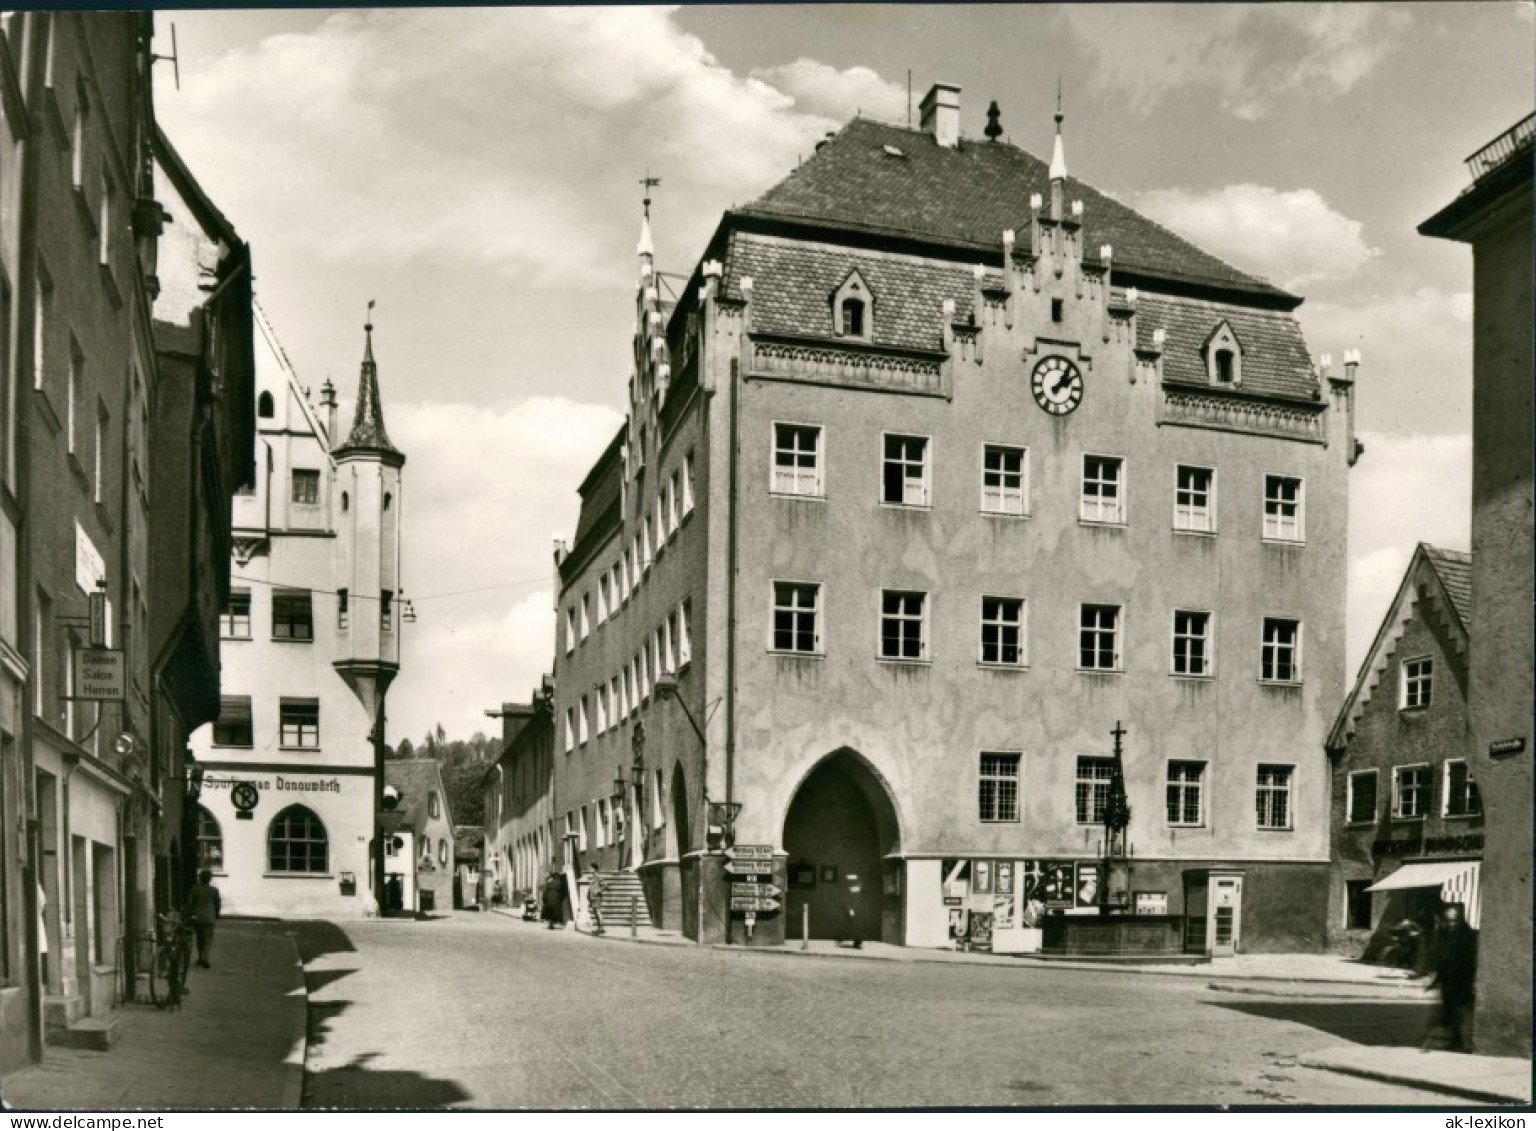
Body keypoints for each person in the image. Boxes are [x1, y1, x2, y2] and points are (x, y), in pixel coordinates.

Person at [1424, 902, 1478, 1052]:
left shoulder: (1468, 937)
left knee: (1462, 1013)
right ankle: (1455, 1041)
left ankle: (1466, 1043)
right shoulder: (1444, 936)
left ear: (1461, 920)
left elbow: (1471, 961)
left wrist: (1473, 981)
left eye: (1454, 920)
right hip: (1448, 982)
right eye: (1447, 920)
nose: (1450, 924)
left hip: (1463, 980)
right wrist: (1436, 980)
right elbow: (1442, 960)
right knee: (1450, 1012)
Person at [185, 869, 222, 970]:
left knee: (199, 938)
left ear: (200, 878)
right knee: (208, 939)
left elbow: (190, 903)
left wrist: (190, 914)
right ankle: (206, 958)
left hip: (198, 917)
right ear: (210, 879)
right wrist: (217, 914)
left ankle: (200, 957)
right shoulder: (214, 890)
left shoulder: (195, 889)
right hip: (209, 917)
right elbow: (217, 904)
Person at [585, 863, 606, 935]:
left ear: (594, 869)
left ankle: (602, 927)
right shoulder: (593, 877)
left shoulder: (598, 876)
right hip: (592, 898)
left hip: (597, 898)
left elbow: (605, 885)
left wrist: (598, 891)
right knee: (595, 913)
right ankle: (599, 927)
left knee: (598, 912)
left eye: (590, 868)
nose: (589, 870)